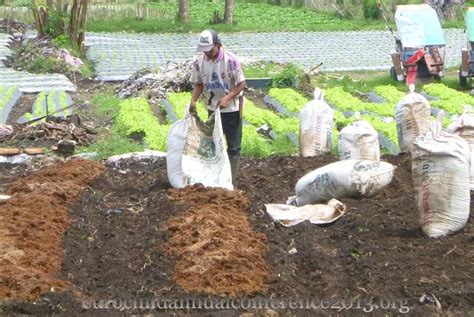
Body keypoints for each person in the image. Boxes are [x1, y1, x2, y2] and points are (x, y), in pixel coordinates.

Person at [189, 29, 246, 186]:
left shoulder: (230, 60)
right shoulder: (200, 61)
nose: (207, 53)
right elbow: (199, 84)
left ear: (217, 45)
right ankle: (214, 178)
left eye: (210, 50)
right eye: (204, 51)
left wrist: (228, 97)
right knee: (213, 145)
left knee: (233, 147)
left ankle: (230, 182)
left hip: (232, 108)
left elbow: (241, 84)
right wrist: (193, 101)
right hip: (214, 107)